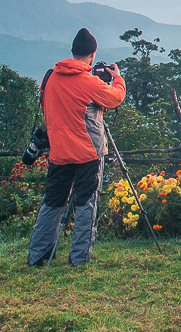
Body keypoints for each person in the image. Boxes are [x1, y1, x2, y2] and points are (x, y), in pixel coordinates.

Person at [27, 27, 126, 266]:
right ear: (92, 55)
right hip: (87, 153)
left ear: (73, 52)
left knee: (52, 203)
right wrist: (117, 77)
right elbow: (115, 98)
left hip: (59, 152)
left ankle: (37, 256)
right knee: (85, 205)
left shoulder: (49, 76)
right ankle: (79, 258)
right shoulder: (89, 82)